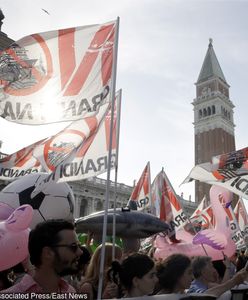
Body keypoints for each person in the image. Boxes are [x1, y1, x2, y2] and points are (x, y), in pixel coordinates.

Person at [1, 219, 82, 293]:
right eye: (73, 246)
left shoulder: (70, 292)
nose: (80, 252)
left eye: (79, 246)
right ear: (48, 253)